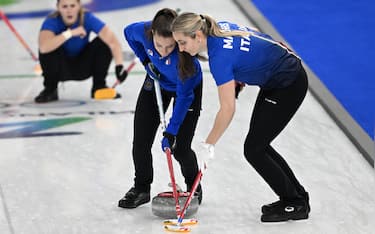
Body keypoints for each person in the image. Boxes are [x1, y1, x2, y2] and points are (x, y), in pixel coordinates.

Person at [171, 13, 310, 222]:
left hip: (288, 83)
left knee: (254, 149)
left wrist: (209, 144)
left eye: (182, 42)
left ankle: (294, 202)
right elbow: (254, 40)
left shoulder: (219, 59)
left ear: (198, 35)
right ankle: (297, 197)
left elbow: (227, 109)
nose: (181, 49)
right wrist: (240, 76)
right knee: (260, 146)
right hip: (277, 78)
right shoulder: (220, 27)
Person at [117, 8, 203, 209]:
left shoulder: (187, 63)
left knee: (180, 149)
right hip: (156, 82)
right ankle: (141, 188)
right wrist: (146, 60)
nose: (163, 51)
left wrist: (171, 132)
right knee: (141, 140)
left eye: (170, 46)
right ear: (152, 34)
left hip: (186, 90)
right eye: (158, 45)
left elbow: (183, 98)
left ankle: (194, 186)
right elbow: (128, 32)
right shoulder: (143, 31)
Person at [34, 0, 127, 103]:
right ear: (58, 8)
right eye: (65, 6)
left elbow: (113, 42)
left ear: (79, 6)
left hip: (82, 67)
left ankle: (99, 87)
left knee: (103, 43)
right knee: (48, 46)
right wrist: (69, 33)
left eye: (72, 6)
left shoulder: (87, 18)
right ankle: (50, 89)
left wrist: (119, 66)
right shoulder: (52, 21)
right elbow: (43, 47)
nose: (69, 10)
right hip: (59, 69)